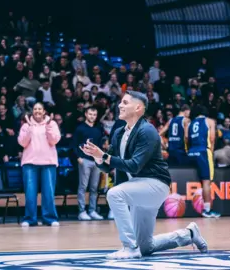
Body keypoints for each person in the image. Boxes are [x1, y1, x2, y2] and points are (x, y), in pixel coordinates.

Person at [80, 91, 207, 259]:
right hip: (137, 188)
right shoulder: (118, 132)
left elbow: (134, 166)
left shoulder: (147, 131)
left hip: (155, 184)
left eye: (125, 102)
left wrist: (103, 155)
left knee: (114, 193)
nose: (120, 105)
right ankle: (189, 234)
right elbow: (107, 165)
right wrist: (97, 156)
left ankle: (129, 247)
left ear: (138, 108)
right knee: (146, 246)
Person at [18, 102, 61, 227]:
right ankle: (30, 219)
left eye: (40, 109)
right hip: (30, 163)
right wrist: (30, 128)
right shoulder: (26, 125)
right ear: (32, 111)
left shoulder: (52, 123)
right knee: (30, 193)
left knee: (48, 192)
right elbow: (22, 142)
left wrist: (47, 127)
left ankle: (50, 218)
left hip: (48, 163)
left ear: (44, 111)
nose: (37, 111)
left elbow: (54, 140)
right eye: (35, 109)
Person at [187, 105, 219, 218]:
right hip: (203, 152)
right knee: (206, 182)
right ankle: (207, 210)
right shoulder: (209, 121)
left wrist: (189, 150)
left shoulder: (190, 123)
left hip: (191, 152)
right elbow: (212, 139)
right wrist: (212, 151)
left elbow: (186, 138)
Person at [72, 107, 105, 221]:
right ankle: (82, 211)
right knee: (83, 186)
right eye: (90, 114)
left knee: (94, 187)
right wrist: (78, 157)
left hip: (96, 160)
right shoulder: (80, 128)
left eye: (94, 114)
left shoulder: (98, 129)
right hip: (84, 160)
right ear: (86, 114)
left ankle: (92, 210)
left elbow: (100, 145)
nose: (92, 116)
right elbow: (74, 144)